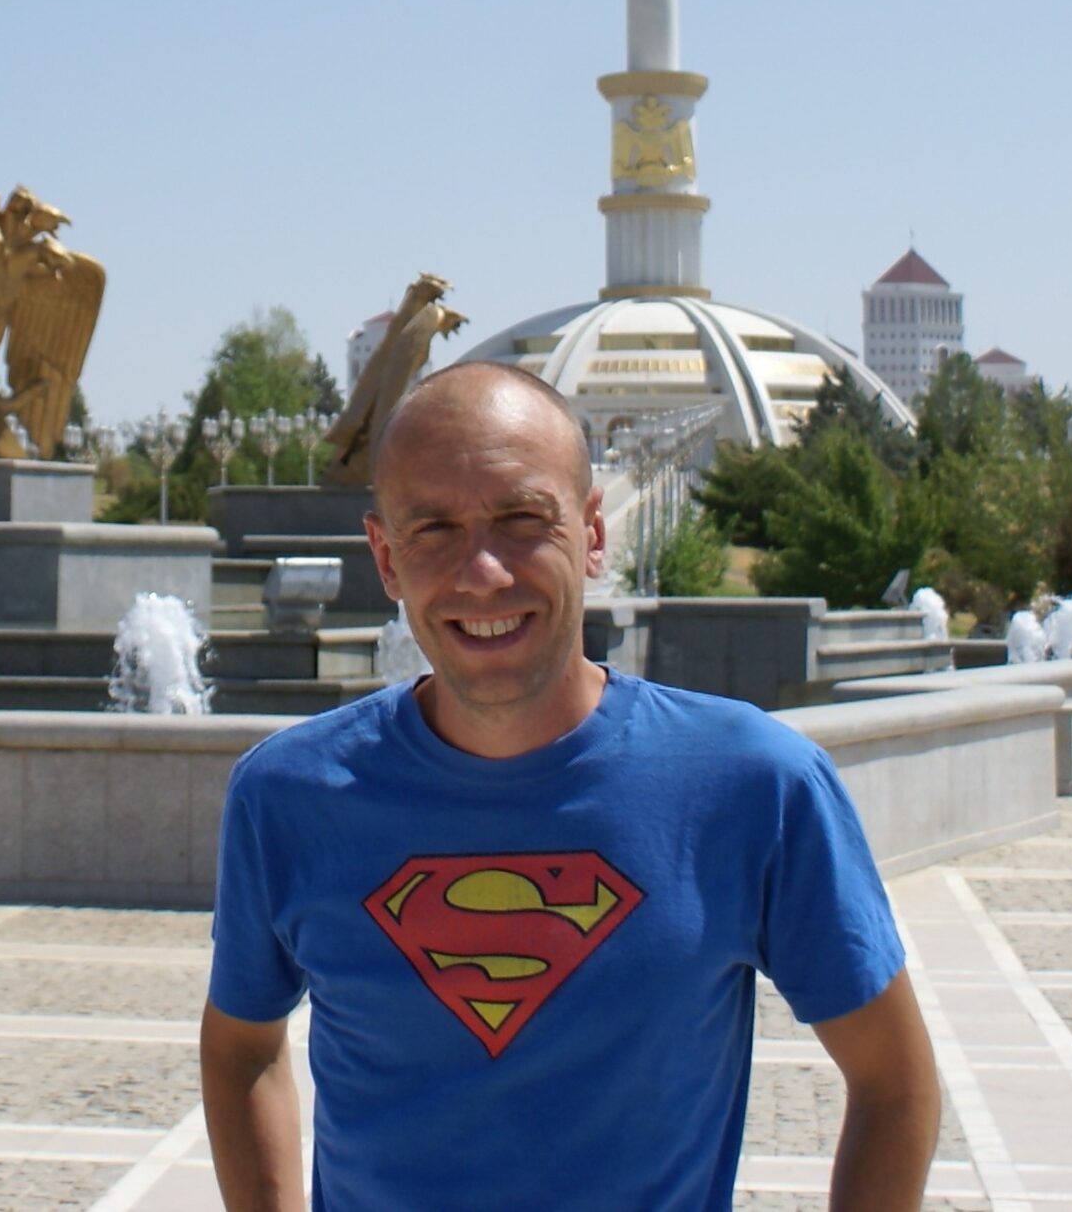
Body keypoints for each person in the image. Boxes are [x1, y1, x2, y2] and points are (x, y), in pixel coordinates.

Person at [202, 361, 940, 1211]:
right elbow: (240, 1046)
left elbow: (894, 1083)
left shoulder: (754, 784)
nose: (482, 572)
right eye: (433, 529)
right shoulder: (289, 796)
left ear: (592, 533)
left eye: (522, 520)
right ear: (385, 557)